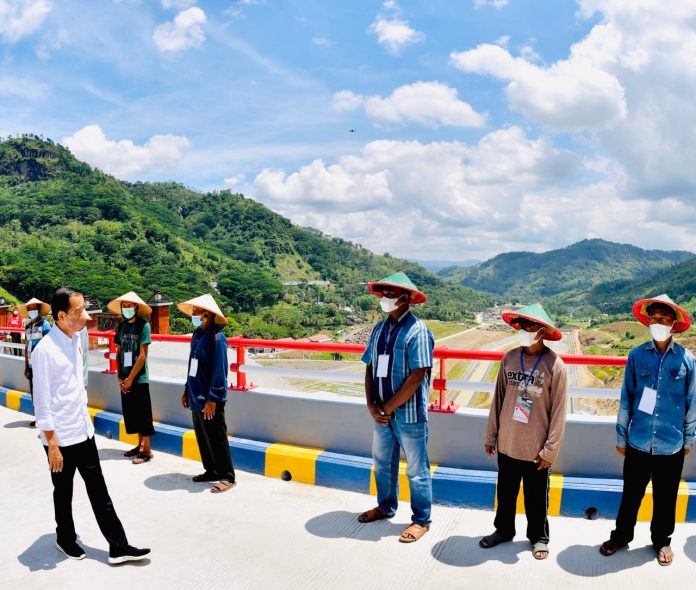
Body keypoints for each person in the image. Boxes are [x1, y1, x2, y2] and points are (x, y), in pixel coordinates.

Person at [32, 286, 150, 564]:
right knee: (63, 492)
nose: (86, 316)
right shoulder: (45, 351)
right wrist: (52, 444)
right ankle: (65, 538)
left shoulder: (75, 340)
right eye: (78, 312)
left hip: (83, 432)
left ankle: (118, 547)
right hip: (59, 438)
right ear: (61, 316)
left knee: (99, 490)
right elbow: (43, 402)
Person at [600, 294, 696, 566]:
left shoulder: (687, 361)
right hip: (638, 440)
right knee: (631, 493)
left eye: (664, 319)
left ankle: (662, 541)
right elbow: (627, 398)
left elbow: (692, 403)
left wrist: (689, 439)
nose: (658, 323)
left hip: (671, 443)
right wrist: (621, 436)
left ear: (674, 324)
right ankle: (621, 536)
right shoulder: (636, 355)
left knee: (666, 498)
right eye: (653, 319)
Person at [480, 303, 568, 560]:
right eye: (522, 325)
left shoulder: (555, 365)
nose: (525, 330)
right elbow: (498, 399)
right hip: (508, 442)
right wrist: (490, 435)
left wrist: (550, 450)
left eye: (531, 326)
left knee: (536, 497)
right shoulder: (509, 358)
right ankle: (503, 530)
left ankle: (538, 537)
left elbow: (559, 412)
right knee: (505, 492)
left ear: (543, 330)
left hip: (536, 449)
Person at [357, 272, 435, 543]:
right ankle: (385, 505)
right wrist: (371, 404)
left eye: (391, 294)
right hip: (381, 413)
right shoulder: (379, 329)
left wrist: (387, 407)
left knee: (416, 469)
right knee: (382, 463)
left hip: (409, 415)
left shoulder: (418, 331)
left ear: (406, 299)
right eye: (384, 294)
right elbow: (369, 366)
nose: (386, 298)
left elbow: (417, 375)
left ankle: (421, 519)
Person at [178, 294, 236, 493]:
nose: (194, 314)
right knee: (203, 436)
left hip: (210, 398)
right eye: (193, 311)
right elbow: (191, 365)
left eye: (197, 311)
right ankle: (211, 469)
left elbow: (220, 371)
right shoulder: (197, 334)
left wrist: (213, 398)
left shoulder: (217, 338)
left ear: (208, 314)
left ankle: (227, 476)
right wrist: (187, 390)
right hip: (195, 394)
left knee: (217, 436)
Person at [108, 291, 155, 465]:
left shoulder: (144, 326)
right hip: (125, 377)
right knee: (132, 413)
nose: (127, 308)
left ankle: (147, 450)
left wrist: (131, 378)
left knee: (143, 414)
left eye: (130, 305)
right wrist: (120, 375)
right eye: (124, 306)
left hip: (139, 378)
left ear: (136, 307)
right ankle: (139, 445)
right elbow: (118, 351)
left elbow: (142, 355)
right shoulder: (122, 326)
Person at [20, 297, 51, 428]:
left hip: (41, 366)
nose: (32, 311)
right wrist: (26, 366)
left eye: (34, 309)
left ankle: (46, 419)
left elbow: (49, 344)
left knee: (43, 393)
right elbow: (27, 347)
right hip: (32, 366)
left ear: (38, 310)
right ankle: (38, 418)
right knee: (34, 393)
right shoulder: (27, 327)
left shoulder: (45, 325)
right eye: (30, 309)